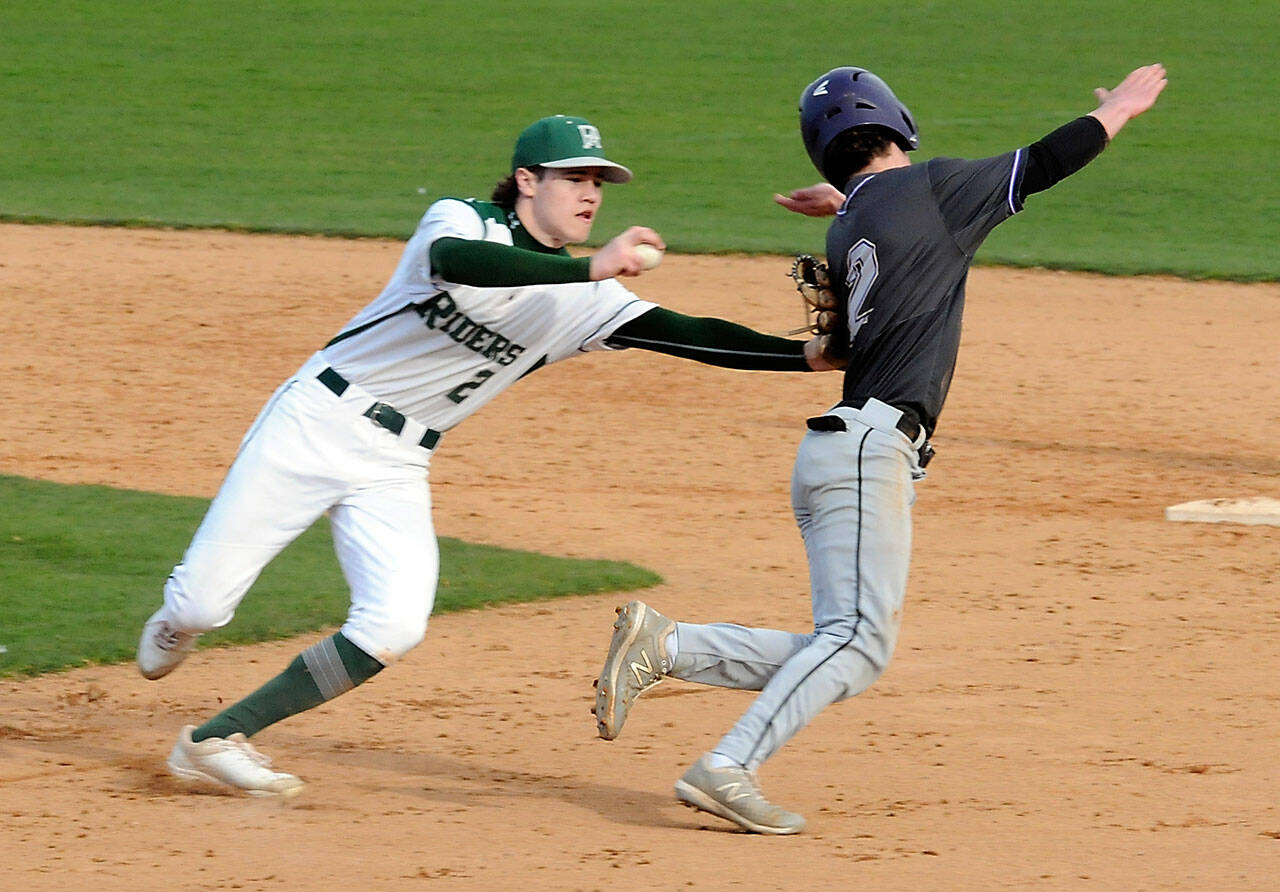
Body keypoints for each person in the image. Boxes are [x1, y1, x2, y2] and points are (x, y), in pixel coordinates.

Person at [137, 114, 838, 797]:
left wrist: (806, 357)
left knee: (394, 624)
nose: (591, 194)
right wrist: (591, 265)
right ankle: (178, 623)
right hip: (318, 419)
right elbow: (459, 264)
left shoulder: (587, 302)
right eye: (574, 178)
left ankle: (215, 740)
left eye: (599, 181)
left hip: (398, 461)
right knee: (201, 605)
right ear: (526, 181)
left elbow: (687, 333)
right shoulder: (461, 221)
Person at [592, 65, 1168, 834]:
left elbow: (879, 225)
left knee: (843, 643)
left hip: (845, 452)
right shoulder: (929, 191)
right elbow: (1047, 161)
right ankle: (727, 766)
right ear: (899, 121)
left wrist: (842, 203)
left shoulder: (850, 222)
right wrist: (1122, 109)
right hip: (868, 452)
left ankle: (668, 645)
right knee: (857, 646)